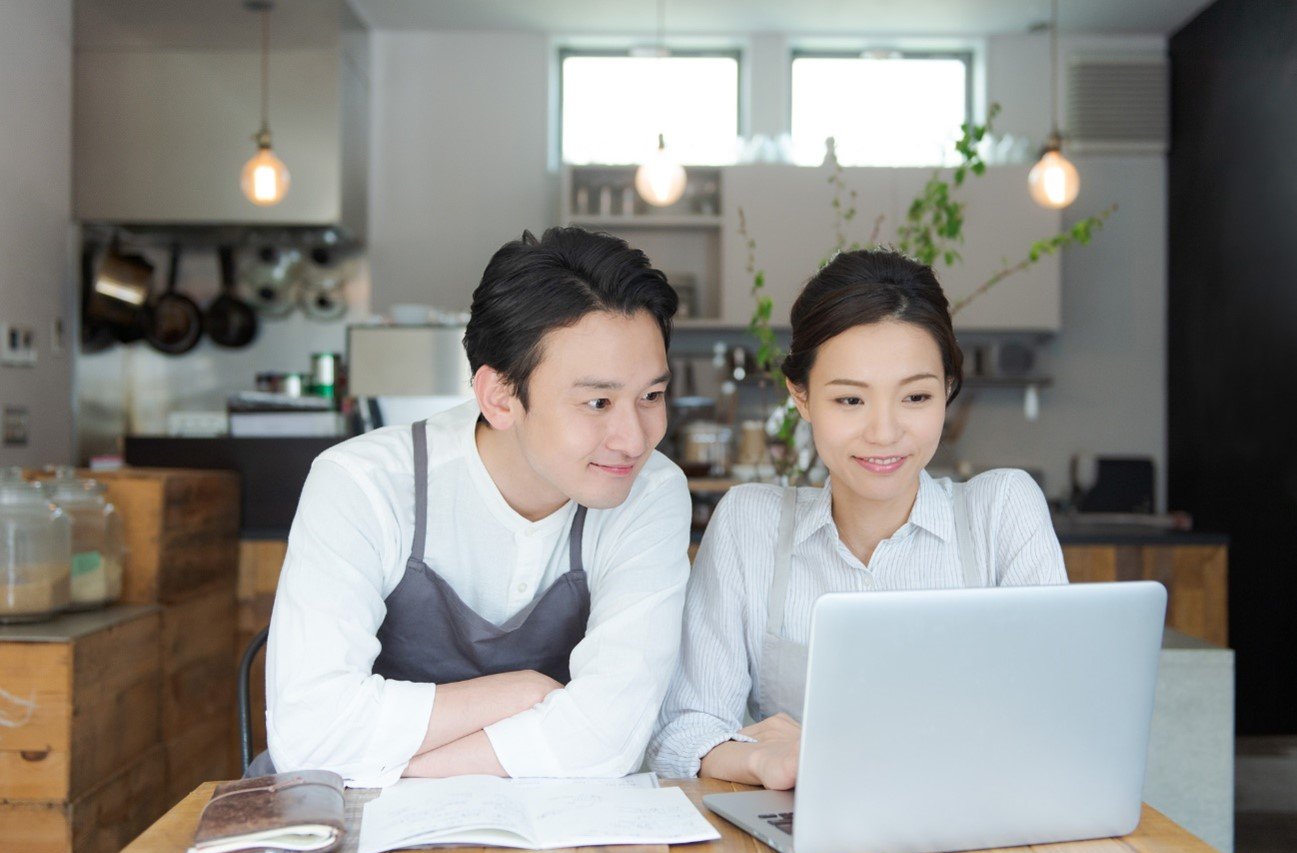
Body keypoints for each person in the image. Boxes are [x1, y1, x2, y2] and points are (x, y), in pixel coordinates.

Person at [260, 227, 691, 786]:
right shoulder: (365, 485)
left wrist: (403, 766)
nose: (634, 439)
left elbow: (610, 740)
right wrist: (519, 693)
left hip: (545, 837)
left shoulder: (650, 491)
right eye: (597, 402)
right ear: (500, 397)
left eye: (651, 397)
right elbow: (308, 736)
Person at [647, 248, 1067, 789]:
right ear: (801, 396)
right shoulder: (749, 525)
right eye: (850, 401)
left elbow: (1054, 720)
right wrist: (762, 760)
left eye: (916, 396)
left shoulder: (1002, 512)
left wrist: (842, 749)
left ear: (947, 391)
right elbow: (683, 733)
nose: (885, 433)